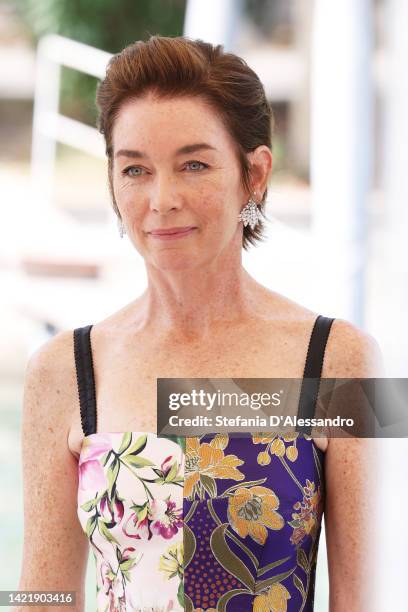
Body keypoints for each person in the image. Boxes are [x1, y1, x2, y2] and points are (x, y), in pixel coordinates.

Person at [18, 35, 383, 611]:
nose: (162, 198)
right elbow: (41, 596)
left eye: (194, 164)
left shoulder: (341, 359)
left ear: (254, 174)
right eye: (135, 169)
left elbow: (370, 599)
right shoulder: (63, 369)